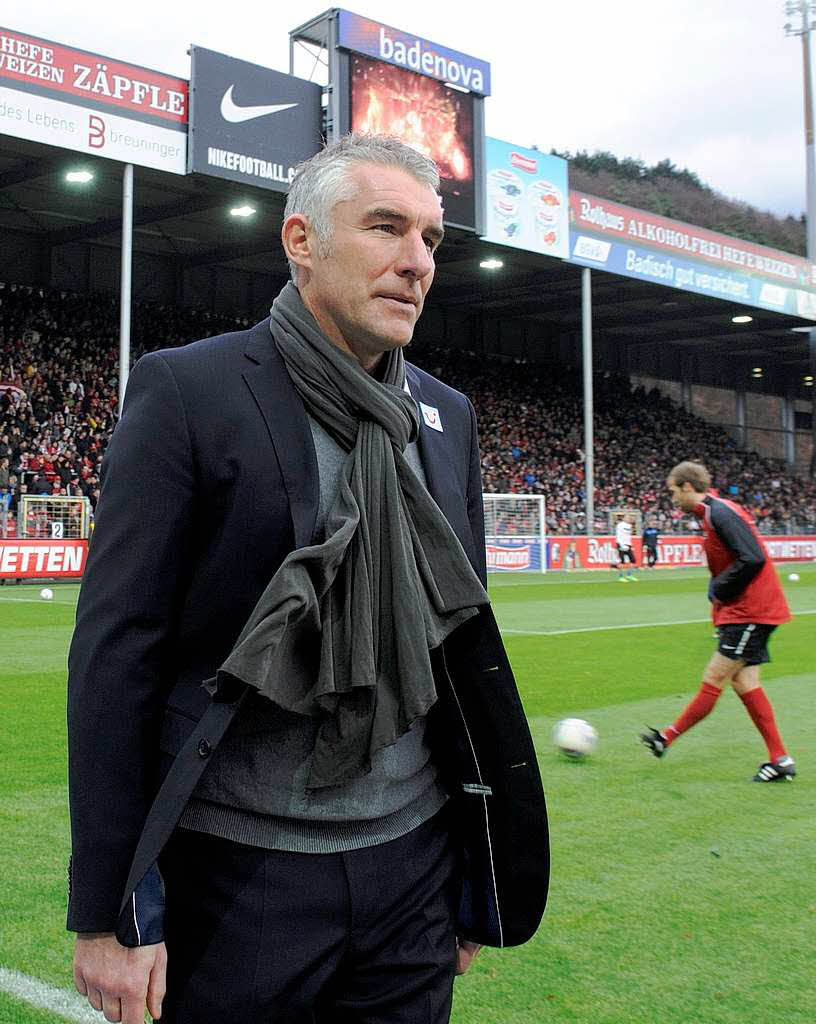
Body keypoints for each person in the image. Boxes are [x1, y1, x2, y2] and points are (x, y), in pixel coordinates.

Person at [67, 134, 549, 1024]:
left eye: (432, 240)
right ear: (301, 240)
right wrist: (108, 914)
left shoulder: (446, 416)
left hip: (413, 869)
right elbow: (116, 655)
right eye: (385, 228)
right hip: (238, 876)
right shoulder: (189, 391)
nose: (415, 263)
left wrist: (469, 866)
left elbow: (459, 655)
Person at [641, 461, 795, 782]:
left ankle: (666, 738)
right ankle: (780, 759)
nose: (672, 499)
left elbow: (753, 557)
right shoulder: (714, 513)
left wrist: (719, 588)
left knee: (714, 678)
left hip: (750, 610)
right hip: (747, 610)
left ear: (686, 487)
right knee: (745, 682)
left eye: (673, 492)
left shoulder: (719, 513)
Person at [615, 511, 637, 581]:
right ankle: (621, 576)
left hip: (628, 544)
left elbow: (633, 532)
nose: (629, 519)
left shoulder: (630, 526)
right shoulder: (620, 525)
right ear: (624, 518)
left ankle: (629, 574)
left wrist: (633, 525)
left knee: (633, 560)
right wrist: (621, 544)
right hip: (621, 544)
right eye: (627, 517)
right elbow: (620, 535)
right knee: (622, 561)